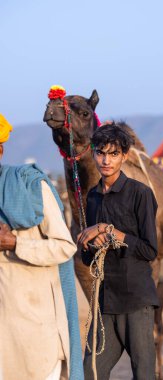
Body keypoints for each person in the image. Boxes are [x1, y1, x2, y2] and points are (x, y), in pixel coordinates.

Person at [0, 114, 83, 380]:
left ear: (0, 148)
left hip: (36, 330)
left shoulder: (30, 186)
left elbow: (63, 247)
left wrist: (15, 243)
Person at [79, 123, 159, 380]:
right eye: (101, 153)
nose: (106, 160)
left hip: (136, 300)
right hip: (104, 303)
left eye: (113, 154)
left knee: (143, 374)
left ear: (124, 156)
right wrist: (90, 245)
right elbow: (87, 258)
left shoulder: (141, 194)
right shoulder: (92, 197)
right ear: (94, 154)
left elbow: (149, 250)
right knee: (90, 372)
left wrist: (108, 230)